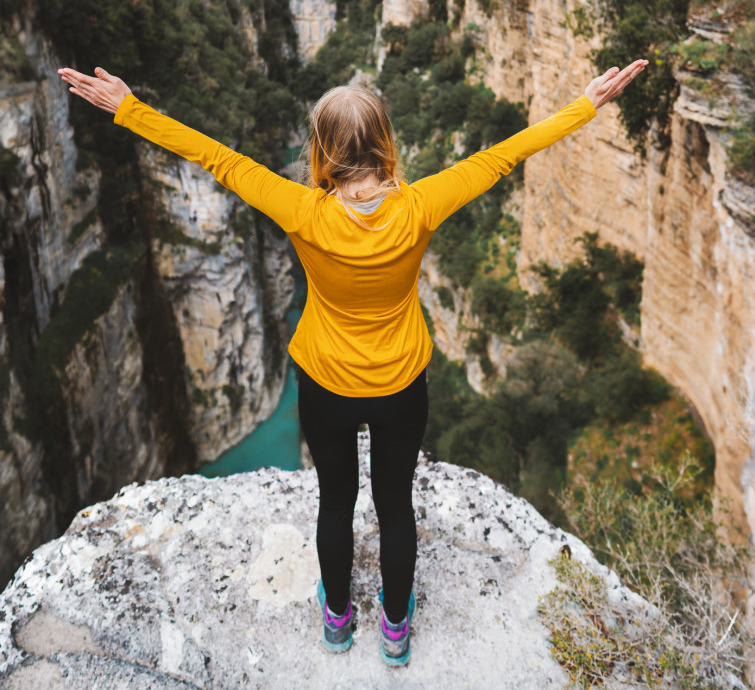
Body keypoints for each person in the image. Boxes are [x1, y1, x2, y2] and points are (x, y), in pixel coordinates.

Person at [58, 57, 647, 666]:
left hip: (325, 384)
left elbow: (219, 160)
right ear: (385, 145)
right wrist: (585, 104)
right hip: (399, 385)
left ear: (322, 152)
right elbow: (503, 156)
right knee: (395, 507)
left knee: (335, 502)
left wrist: (129, 108)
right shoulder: (420, 206)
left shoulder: (302, 210)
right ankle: (395, 631)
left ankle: (337, 621)